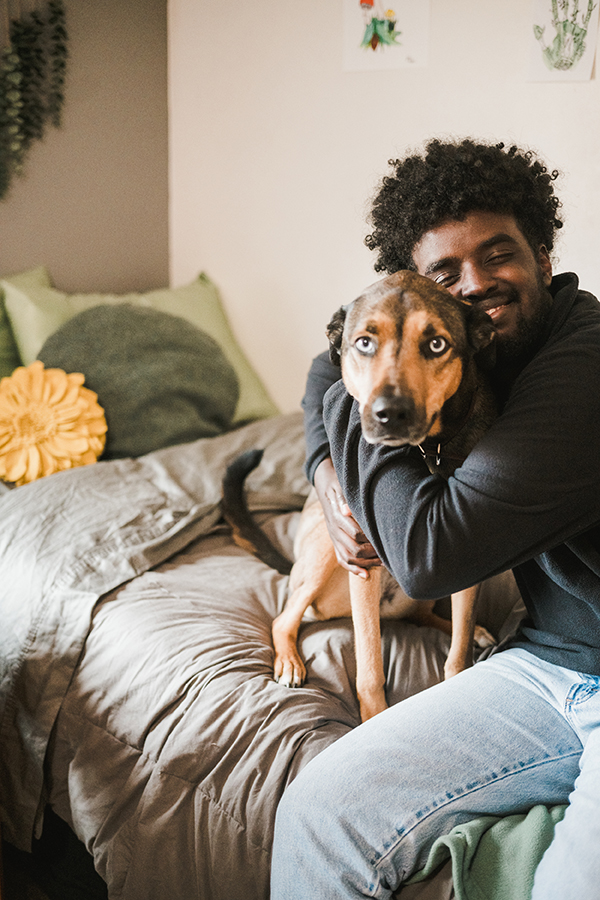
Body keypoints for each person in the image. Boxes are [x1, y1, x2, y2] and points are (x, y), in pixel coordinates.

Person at [270, 138, 600, 900]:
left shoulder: (581, 364)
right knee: (321, 810)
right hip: (548, 661)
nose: (478, 285)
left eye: (499, 255)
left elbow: (426, 555)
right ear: (420, 289)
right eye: (447, 273)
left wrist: (372, 404)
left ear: (544, 257)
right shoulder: (467, 342)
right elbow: (328, 366)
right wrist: (328, 480)